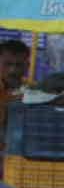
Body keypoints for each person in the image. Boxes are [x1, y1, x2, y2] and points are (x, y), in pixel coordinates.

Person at [0, 39, 31, 172]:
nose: (13, 70)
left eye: (19, 65)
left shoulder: (33, 91)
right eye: (7, 64)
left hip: (22, 161)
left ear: (27, 66)